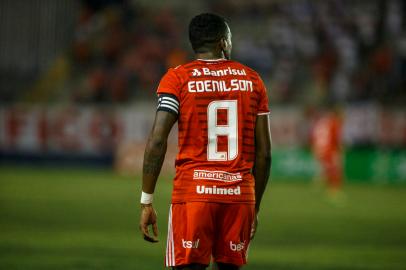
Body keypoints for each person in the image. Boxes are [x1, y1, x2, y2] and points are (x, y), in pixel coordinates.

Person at [139, 13, 272, 270]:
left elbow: (157, 141)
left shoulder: (177, 78)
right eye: (230, 39)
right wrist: (254, 208)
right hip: (239, 196)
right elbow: (264, 153)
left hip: (194, 194)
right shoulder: (253, 80)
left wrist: (146, 201)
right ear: (223, 42)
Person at [310, 106, 343, 199]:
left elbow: (313, 135)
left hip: (320, 148)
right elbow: (336, 138)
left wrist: (315, 147)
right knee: (334, 169)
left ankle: (317, 186)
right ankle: (333, 191)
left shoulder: (322, 122)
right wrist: (339, 148)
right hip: (329, 149)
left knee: (324, 169)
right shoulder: (334, 123)